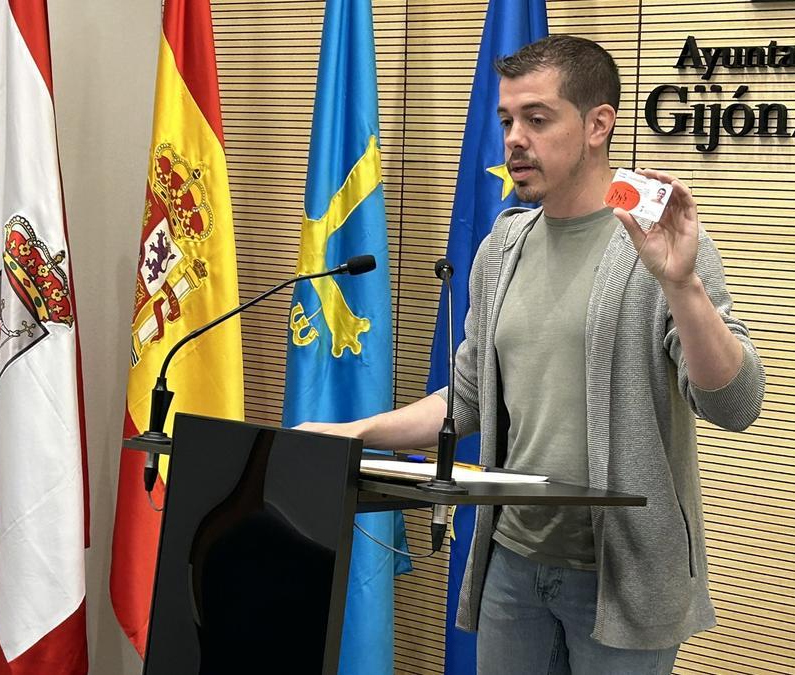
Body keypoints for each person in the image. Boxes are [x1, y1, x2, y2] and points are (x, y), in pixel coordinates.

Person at [297, 34, 764, 675]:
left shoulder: (659, 246)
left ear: (598, 124)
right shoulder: (503, 246)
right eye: (507, 121)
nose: (515, 138)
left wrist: (681, 287)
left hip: (620, 576)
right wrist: (350, 434)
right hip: (510, 565)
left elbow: (734, 404)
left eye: (537, 119)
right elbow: (463, 401)